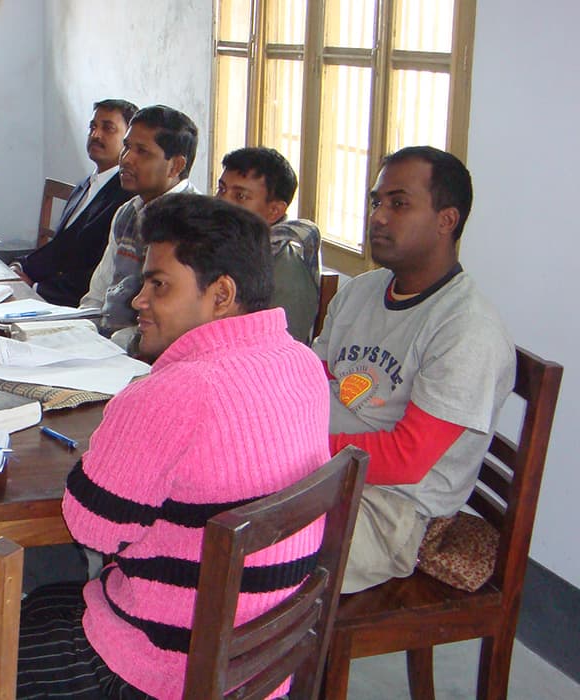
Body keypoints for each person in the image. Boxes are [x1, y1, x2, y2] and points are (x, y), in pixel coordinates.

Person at [0, 194, 330, 699]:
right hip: (261, 658)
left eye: (159, 285)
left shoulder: (174, 392)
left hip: (165, 670)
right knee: (48, 602)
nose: (139, 300)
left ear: (221, 294)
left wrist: (112, 441)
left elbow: (93, 528)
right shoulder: (302, 364)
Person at [311, 146, 515, 593]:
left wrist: (297, 447)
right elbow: (313, 382)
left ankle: (269, 659)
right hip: (324, 472)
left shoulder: (466, 330)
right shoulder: (360, 292)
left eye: (399, 203)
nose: (379, 216)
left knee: (247, 547)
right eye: (376, 201)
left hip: (391, 512)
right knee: (204, 494)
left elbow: (407, 460)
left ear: (447, 220)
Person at [79, 105, 199, 339]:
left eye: (142, 152)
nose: (126, 160)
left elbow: (176, 324)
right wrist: (77, 335)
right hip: (103, 343)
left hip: (141, 353)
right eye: (126, 147)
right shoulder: (127, 212)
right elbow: (97, 296)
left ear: (176, 166)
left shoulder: (194, 224)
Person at [9, 99, 138, 307]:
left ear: (128, 139)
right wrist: (20, 267)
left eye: (108, 128)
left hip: (73, 303)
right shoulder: (83, 186)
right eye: (93, 127)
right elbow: (60, 249)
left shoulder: (125, 198)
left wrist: (36, 289)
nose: (96, 135)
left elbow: (99, 272)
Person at [216, 146, 322, 342]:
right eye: (222, 189)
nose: (221, 202)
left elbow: (279, 357)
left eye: (240, 196)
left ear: (274, 211)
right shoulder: (223, 250)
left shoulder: (285, 277)